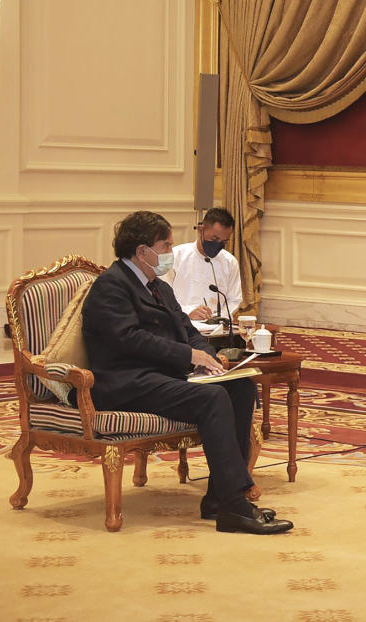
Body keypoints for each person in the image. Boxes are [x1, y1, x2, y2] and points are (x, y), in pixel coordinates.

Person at [82, 210, 292, 534]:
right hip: (126, 381)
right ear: (142, 252)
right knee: (212, 399)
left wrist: (207, 358)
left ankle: (217, 499)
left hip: (161, 377)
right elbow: (129, 340)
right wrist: (186, 355)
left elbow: (188, 330)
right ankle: (235, 504)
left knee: (241, 388)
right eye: (165, 246)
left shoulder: (158, 287)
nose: (170, 252)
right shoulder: (112, 286)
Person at [161, 207, 242, 321]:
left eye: (224, 241)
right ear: (200, 230)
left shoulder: (230, 262)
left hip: (216, 329)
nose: (218, 244)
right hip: (181, 324)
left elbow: (234, 299)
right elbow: (162, 297)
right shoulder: (175, 256)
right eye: (214, 238)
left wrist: (221, 317)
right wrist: (187, 312)